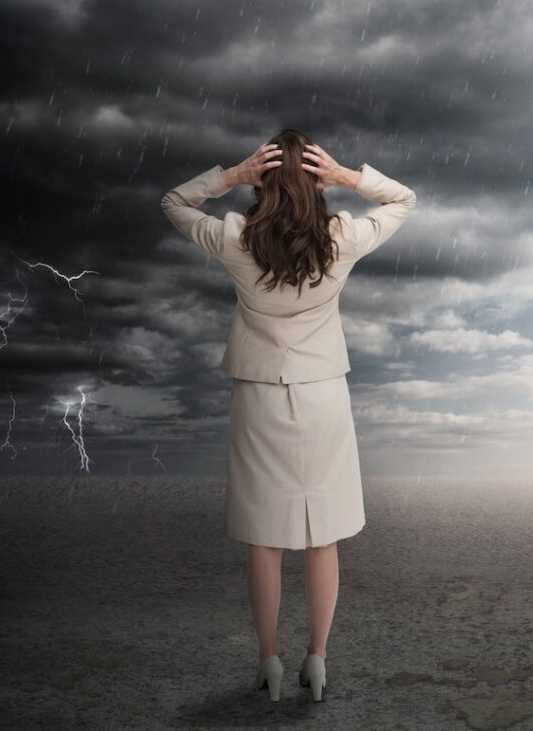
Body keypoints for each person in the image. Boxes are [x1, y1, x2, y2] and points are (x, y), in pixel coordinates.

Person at [161, 131, 416, 701]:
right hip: (322, 394)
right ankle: (318, 661)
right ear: (315, 183)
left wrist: (230, 175)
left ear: (265, 180)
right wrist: (350, 176)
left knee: (264, 540)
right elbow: (404, 200)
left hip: (259, 395)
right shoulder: (342, 238)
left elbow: (173, 203)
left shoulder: (235, 238)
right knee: (322, 540)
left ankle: (268, 660)